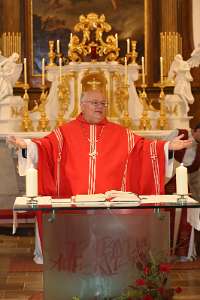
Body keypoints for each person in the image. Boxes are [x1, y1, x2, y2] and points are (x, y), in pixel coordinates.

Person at [7, 90, 192, 264]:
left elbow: (144, 149)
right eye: (94, 102)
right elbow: (44, 147)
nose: (100, 106)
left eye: (103, 103)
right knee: (76, 257)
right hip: (73, 209)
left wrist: (167, 148)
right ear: (82, 105)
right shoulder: (63, 133)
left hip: (110, 211)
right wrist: (27, 145)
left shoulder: (122, 134)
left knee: (110, 256)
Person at [165, 124, 200, 260]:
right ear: (194, 130)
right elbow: (161, 148)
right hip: (168, 181)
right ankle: (165, 251)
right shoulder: (180, 133)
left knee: (186, 218)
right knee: (168, 215)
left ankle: (183, 253)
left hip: (187, 186)